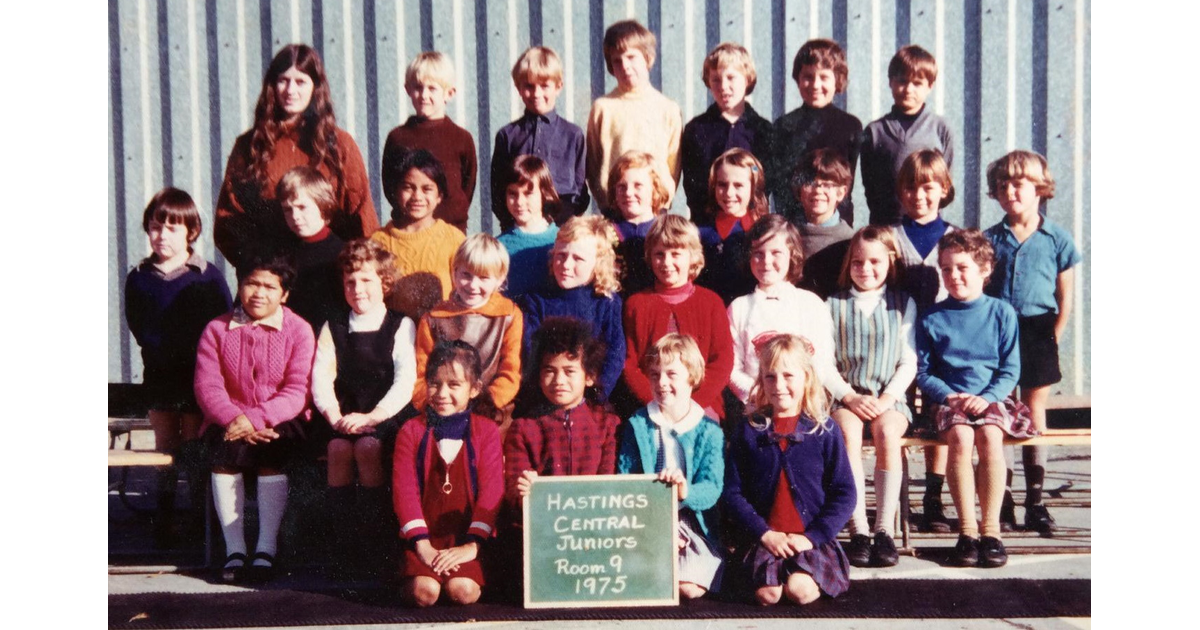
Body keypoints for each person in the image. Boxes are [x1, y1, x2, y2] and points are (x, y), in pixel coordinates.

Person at [916, 229, 1037, 569]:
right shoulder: (932, 317)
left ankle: (991, 531)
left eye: (962, 268)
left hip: (993, 399)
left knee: (989, 435)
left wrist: (987, 398)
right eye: (946, 269)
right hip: (949, 401)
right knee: (961, 435)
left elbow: (1010, 369)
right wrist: (949, 396)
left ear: (984, 269)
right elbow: (924, 373)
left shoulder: (1001, 313)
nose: (954, 276)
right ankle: (967, 532)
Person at [194, 256, 316, 584]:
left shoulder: (299, 330)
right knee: (224, 453)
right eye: (251, 283)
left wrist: (258, 418)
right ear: (239, 285)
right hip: (227, 419)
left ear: (284, 294)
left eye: (269, 287)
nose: (258, 293)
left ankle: (266, 547)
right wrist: (238, 418)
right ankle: (235, 548)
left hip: (279, 417)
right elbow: (207, 386)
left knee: (274, 452)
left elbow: (297, 390)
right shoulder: (217, 329)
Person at [125, 187, 232, 545]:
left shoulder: (206, 275)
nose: (162, 236)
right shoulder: (139, 277)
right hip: (159, 378)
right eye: (156, 227)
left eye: (172, 228)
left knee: (196, 447)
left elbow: (221, 324)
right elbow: (139, 326)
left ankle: (202, 521)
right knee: (165, 449)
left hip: (197, 377)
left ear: (191, 231)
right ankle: (166, 516)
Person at [983, 150, 1081, 535]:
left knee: (1033, 414)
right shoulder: (990, 238)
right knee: (1001, 412)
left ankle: (1035, 501)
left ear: (1040, 188)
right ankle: (1001, 498)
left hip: (1039, 330)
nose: (1011, 191)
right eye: (1003, 185)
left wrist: (1053, 335)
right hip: (998, 332)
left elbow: (1065, 295)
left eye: (1019, 184)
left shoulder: (1057, 238)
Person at [214, 44, 376, 273]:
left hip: (328, 275)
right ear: (272, 85)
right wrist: (261, 267)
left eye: (300, 81)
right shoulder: (250, 145)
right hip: (271, 277)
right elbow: (229, 222)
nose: (291, 90)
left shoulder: (339, 145)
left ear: (315, 87)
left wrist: (354, 270)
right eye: (283, 80)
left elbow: (361, 218)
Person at [723, 334, 856, 605]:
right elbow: (732, 492)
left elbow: (845, 493)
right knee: (767, 595)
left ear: (806, 377)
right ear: (761, 380)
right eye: (770, 377)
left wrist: (813, 537)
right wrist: (764, 533)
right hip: (764, 537)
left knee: (800, 590)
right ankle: (774, 576)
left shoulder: (824, 430)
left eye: (788, 376)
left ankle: (798, 574)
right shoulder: (749, 430)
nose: (779, 385)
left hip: (810, 539)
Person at [311, 239, 417, 577]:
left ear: (384, 283)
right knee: (338, 449)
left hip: (386, 416)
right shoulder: (335, 326)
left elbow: (405, 380)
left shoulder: (401, 325)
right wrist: (334, 416)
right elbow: (321, 377)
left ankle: (377, 546)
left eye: (367, 280)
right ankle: (343, 550)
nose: (359, 289)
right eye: (351, 282)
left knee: (370, 448)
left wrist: (374, 416)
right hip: (344, 416)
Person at [499, 317, 622, 600]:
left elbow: (610, 487)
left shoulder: (607, 424)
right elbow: (513, 497)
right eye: (549, 371)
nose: (559, 381)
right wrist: (524, 492)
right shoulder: (524, 427)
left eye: (569, 371)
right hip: (542, 539)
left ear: (589, 375)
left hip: (594, 538)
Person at [826, 227, 917, 568]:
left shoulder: (901, 303)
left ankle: (884, 530)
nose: (866, 269)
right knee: (847, 433)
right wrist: (847, 396)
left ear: (890, 261)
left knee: (887, 433)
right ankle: (859, 529)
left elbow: (909, 359)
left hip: (887, 398)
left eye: (875, 261)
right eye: (858, 262)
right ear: (848, 264)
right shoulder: (832, 304)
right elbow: (823, 361)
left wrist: (889, 397)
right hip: (847, 396)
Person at [393, 341, 503, 607]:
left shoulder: (486, 431)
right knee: (424, 593)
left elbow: (492, 491)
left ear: (474, 389)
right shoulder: (412, 430)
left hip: (466, 541)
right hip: (423, 540)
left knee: (463, 591)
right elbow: (404, 490)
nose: (442, 393)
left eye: (454, 385)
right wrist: (423, 545)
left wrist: (471, 547)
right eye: (434, 383)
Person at [618, 334, 725, 600]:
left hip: (692, 521)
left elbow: (712, 488)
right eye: (654, 375)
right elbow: (624, 479)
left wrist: (685, 491)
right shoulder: (638, 424)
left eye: (671, 374)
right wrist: (657, 526)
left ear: (692, 376)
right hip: (645, 519)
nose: (661, 383)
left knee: (687, 589)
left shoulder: (709, 430)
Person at [891, 148, 958, 534]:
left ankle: (932, 497)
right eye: (912, 188)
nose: (920, 196)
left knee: (937, 418)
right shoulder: (890, 236)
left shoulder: (954, 237)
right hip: (899, 342)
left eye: (928, 187)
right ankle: (899, 499)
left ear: (944, 189)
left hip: (939, 343)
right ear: (901, 192)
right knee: (900, 418)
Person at [622, 215, 734, 421]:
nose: (667, 262)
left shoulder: (711, 302)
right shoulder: (636, 304)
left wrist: (692, 405)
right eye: (659, 254)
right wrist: (655, 404)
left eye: (676, 254)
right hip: (651, 406)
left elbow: (722, 362)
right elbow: (629, 364)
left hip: (701, 405)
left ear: (692, 256)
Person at [412, 234, 522, 432]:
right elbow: (421, 372)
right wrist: (431, 405)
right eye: (466, 275)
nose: (473, 285)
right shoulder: (434, 318)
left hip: (491, 410)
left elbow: (511, 370)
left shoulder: (509, 314)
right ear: (454, 273)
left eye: (483, 278)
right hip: (442, 408)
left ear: (500, 279)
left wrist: (487, 403)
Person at [727, 215, 837, 407]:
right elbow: (732, 369)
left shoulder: (811, 304)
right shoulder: (740, 308)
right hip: (756, 408)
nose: (766, 261)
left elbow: (823, 364)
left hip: (803, 407)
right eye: (758, 253)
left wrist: (795, 398)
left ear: (792, 254)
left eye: (776, 252)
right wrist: (763, 395)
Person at [520, 216, 626, 400]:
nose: (566, 265)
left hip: (592, 398)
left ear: (597, 265)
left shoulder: (606, 303)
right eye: (561, 255)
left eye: (578, 258)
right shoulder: (536, 301)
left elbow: (615, 353)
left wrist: (597, 395)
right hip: (547, 395)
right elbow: (531, 350)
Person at [586, 19, 682, 217]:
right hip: (615, 212)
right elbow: (594, 165)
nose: (625, 66)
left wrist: (662, 201)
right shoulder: (603, 108)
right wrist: (606, 203)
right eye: (617, 61)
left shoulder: (667, 108)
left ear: (648, 58)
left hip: (655, 212)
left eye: (631, 57)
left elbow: (673, 165)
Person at [491, 46, 589, 228]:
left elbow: (579, 190)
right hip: (518, 227)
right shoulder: (507, 135)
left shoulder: (573, 134)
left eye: (544, 86)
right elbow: (498, 190)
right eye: (529, 86)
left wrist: (566, 223)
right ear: (518, 88)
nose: (536, 94)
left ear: (558, 87)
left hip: (561, 228)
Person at [768, 39, 861, 226]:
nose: (815, 85)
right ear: (798, 79)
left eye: (824, 77)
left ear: (838, 80)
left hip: (835, 224)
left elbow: (847, 185)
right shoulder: (784, 126)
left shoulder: (850, 126)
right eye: (808, 77)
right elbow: (779, 187)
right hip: (793, 226)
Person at [860, 45, 955, 227]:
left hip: (926, 224)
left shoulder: (941, 128)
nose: (909, 89)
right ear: (890, 82)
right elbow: (870, 188)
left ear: (930, 86)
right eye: (902, 81)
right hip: (886, 226)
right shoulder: (875, 131)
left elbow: (945, 181)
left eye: (917, 83)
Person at [382, 51, 477, 233]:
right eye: (418, 87)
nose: (424, 95)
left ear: (449, 93)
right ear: (408, 90)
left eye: (432, 88)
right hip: (409, 230)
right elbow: (390, 186)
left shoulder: (461, 138)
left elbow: (467, 186)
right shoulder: (398, 137)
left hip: (451, 231)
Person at [680, 42, 772, 225]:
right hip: (707, 224)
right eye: (716, 79)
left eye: (731, 78)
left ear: (747, 79)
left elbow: (763, 177)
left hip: (750, 222)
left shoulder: (762, 130)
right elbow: (692, 184)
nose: (723, 86)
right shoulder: (696, 130)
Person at [371, 149, 466, 322]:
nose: (417, 196)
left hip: (439, 337)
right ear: (396, 192)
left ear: (440, 195)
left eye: (427, 189)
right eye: (408, 187)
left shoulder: (454, 239)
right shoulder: (378, 241)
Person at [276, 166, 344, 332]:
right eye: (287, 209)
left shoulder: (341, 253)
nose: (295, 216)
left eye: (302, 207)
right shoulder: (281, 254)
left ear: (322, 204)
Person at [696, 148, 769, 303]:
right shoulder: (701, 232)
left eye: (738, 185)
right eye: (722, 184)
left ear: (753, 187)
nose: (729, 193)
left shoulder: (764, 230)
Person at [791, 148, 855, 299]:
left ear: (841, 192)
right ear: (799, 188)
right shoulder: (786, 234)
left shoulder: (850, 240)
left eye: (827, 185)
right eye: (810, 182)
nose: (818, 190)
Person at [608, 150, 673, 297]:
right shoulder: (605, 232)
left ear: (655, 190)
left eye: (638, 185)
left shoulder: (667, 230)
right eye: (621, 186)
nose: (628, 193)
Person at [496, 155, 561, 299]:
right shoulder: (498, 246)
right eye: (512, 193)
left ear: (544, 194)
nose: (519, 202)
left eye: (528, 193)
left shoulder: (561, 240)